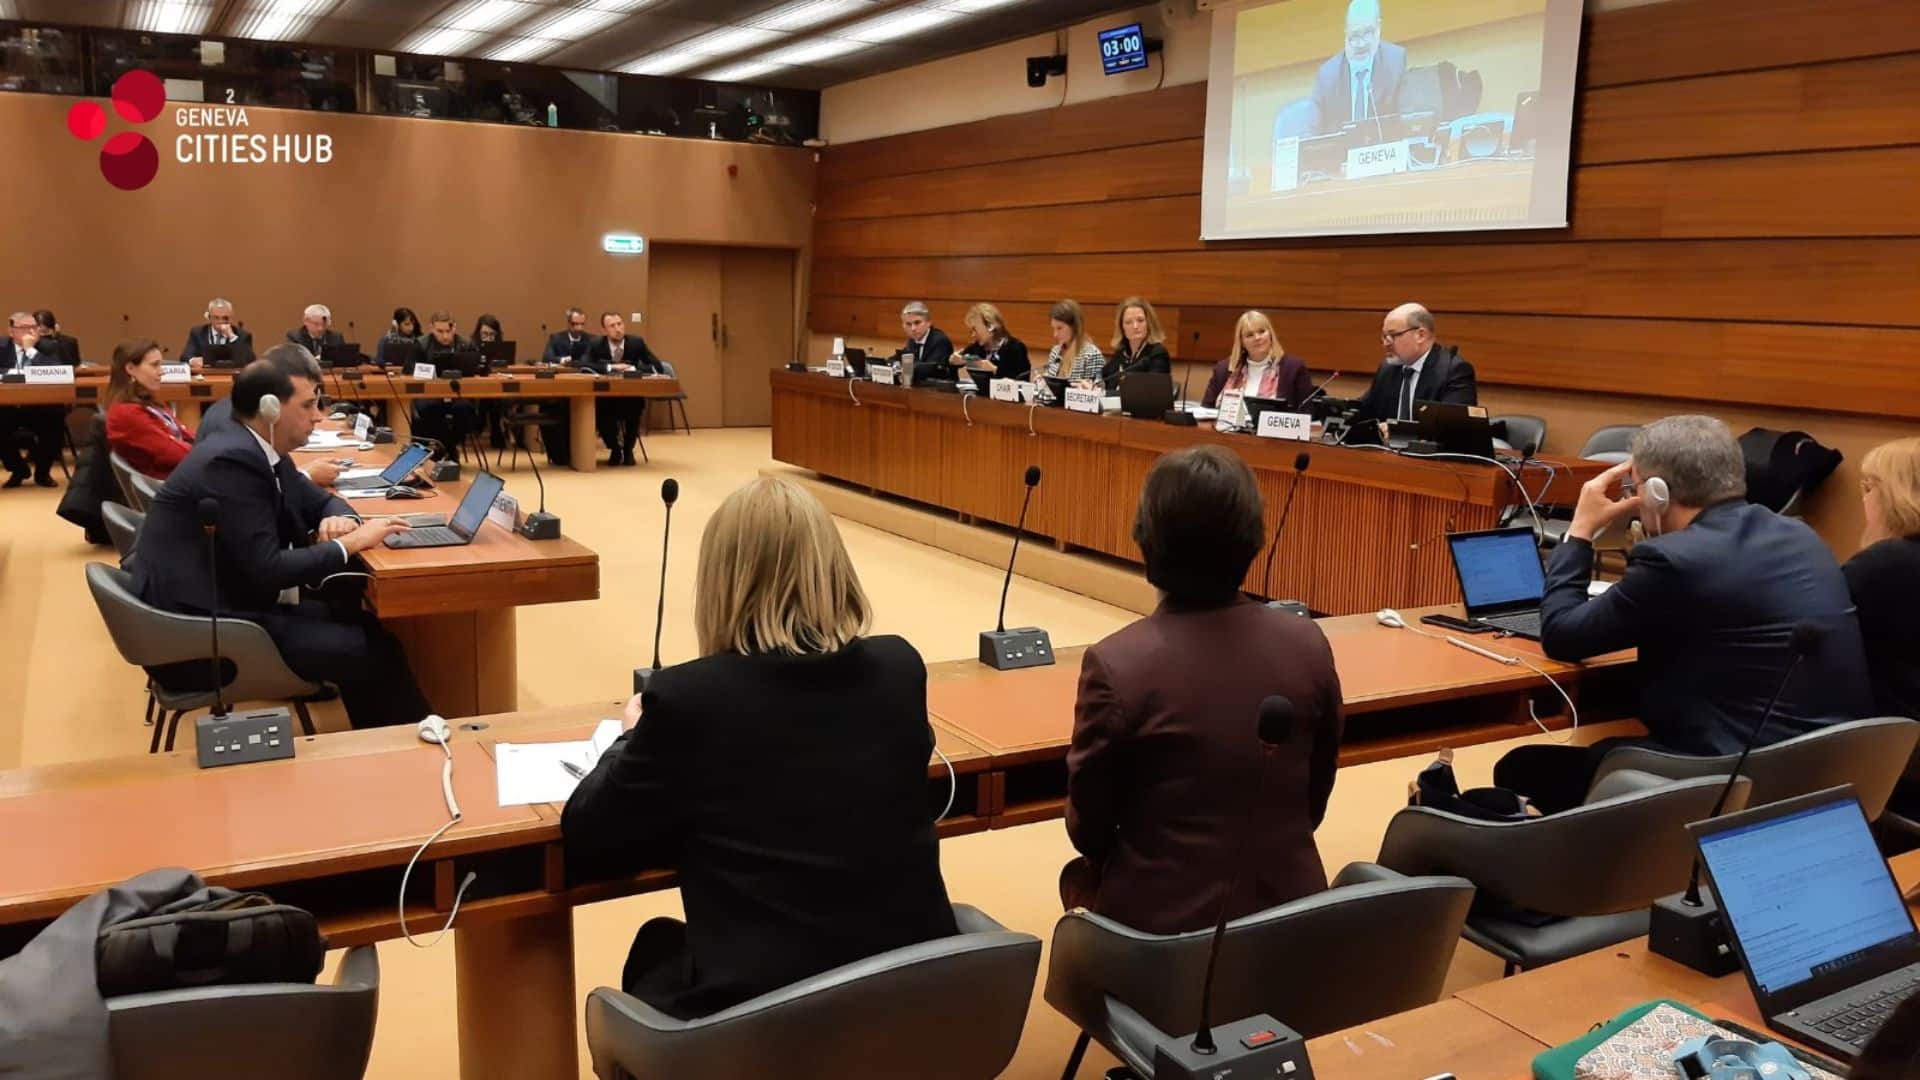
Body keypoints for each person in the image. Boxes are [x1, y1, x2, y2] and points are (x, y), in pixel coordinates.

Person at [562, 476, 957, 1019]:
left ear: (720, 582)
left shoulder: (687, 699)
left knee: (655, 947)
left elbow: (588, 835)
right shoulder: (899, 667)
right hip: (913, 1000)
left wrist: (629, 735)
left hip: (761, 1023)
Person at [1492, 416, 1873, 813]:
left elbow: (1561, 635)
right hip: (1826, 764)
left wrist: (1581, 530)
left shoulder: (1674, 560)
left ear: (1658, 492)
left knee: (1523, 767)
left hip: (1735, 772)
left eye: (1635, 487)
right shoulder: (1800, 535)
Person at [1063, 444, 1343, 934]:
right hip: (1292, 930)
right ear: (1253, 538)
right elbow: (1313, 799)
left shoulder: (1117, 664)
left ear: (1145, 539)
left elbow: (1088, 830)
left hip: (1161, 944)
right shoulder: (1308, 643)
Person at [131, 352, 432, 730]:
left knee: (364, 625)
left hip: (219, 603)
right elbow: (268, 569)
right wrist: (351, 543)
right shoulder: (232, 461)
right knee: (371, 650)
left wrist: (339, 518)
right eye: (308, 405)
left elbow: (316, 499)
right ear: (270, 409)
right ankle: (409, 750)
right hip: (199, 634)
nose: (318, 416)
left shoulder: (257, 446)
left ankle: (388, 744)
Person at [1843, 437, 1920, 724]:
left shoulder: (1884, 563)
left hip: (1891, 736)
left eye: (1868, 488)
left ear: (1897, 494)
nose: (1864, 500)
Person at [1352, 302, 1477, 424]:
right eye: (1384, 336)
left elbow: (1453, 426)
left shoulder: (1453, 371)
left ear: (1420, 335)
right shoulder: (1388, 369)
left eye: (1393, 335)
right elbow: (1362, 412)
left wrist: (1396, 430)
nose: (1386, 343)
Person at [1309, 0, 1406, 135]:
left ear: (1378, 28)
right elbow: (1311, 133)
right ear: (1346, 33)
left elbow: (1405, 121)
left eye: (1368, 33)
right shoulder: (1328, 76)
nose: (1361, 44)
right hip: (1341, 148)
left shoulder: (1395, 62)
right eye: (1354, 36)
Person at [103, 339, 194, 479]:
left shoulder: (148, 402)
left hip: (182, 474)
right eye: (154, 365)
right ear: (130, 369)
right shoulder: (126, 414)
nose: (161, 372)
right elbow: (173, 453)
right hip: (169, 483)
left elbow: (185, 435)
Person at [582, 312, 663, 466]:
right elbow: (584, 365)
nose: (617, 329)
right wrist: (611, 367)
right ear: (604, 330)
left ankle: (628, 450)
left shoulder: (636, 343)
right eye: (612, 326)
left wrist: (633, 368)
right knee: (600, 411)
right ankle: (615, 449)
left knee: (635, 407)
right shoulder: (596, 344)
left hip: (630, 394)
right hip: (606, 396)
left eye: (620, 324)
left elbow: (656, 365)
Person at [0, 310, 65, 487]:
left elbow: (58, 371)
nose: (31, 332)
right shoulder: (1, 347)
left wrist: (30, 350)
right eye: (24, 327)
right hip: (7, 407)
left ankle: (43, 474)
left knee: (56, 416)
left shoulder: (49, 347)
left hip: (39, 406)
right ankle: (18, 469)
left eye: (34, 327)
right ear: (11, 331)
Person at [1202, 310, 1313, 411]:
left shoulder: (1294, 368)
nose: (1257, 338)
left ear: (1270, 334)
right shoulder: (1223, 369)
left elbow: (1307, 414)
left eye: (1261, 331)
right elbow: (1206, 410)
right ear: (1241, 342)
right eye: (1249, 335)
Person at [412, 312, 478, 463]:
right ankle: (447, 449)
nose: (445, 336)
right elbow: (409, 369)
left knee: (465, 410)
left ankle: (447, 448)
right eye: (440, 331)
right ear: (431, 328)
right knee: (429, 409)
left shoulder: (466, 345)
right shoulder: (421, 344)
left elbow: (477, 369)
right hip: (429, 396)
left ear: (454, 328)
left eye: (448, 331)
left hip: (458, 396)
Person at [1038, 299, 1104, 398]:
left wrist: (1086, 391)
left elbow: (1098, 394)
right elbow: (1050, 391)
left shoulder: (1091, 354)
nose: (1055, 334)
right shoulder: (1056, 351)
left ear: (1074, 327)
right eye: (1053, 328)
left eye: (1059, 328)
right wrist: (1042, 385)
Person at [1101, 296, 1172, 387]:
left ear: (1149, 323)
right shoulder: (1121, 353)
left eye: (1140, 320)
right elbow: (1105, 379)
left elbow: (1151, 390)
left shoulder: (1157, 354)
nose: (1135, 326)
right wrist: (1092, 386)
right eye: (1128, 322)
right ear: (1122, 328)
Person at [956, 302, 1031, 381]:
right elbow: (959, 361)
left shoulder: (1015, 348)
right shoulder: (976, 348)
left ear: (990, 327)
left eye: (975, 329)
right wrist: (953, 361)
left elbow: (1020, 381)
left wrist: (994, 369)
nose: (973, 335)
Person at [183, 297, 255, 370]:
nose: (221, 321)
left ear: (231, 318)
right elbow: (185, 356)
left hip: (232, 374)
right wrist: (192, 361)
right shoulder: (198, 333)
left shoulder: (242, 335)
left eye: (225, 318)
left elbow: (250, 360)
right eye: (216, 317)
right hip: (205, 374)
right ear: (209, 317)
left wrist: (232, 336)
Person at [898, 301, 955, 384]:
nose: (913, 328)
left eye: (917, 323)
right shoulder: (912, 341)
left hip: (941, 389)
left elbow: (932, 369)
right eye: (908, 324)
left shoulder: (940, 341)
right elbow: (903, 358)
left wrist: (905, 367)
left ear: (929, 322)